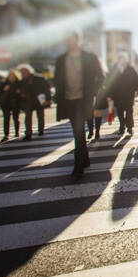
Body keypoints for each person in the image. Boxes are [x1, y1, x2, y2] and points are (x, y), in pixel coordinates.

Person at [54, 30, 104, 179]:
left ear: (77, 40)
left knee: (78, 131)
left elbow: (101, 77)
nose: (67, 42)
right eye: (66, 40)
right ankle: (85, 160)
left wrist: (93, 92)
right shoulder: (61, 59)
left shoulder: (89, 57)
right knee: (78, 131)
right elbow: (57, 79)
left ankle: (78, 167)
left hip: (84, 99)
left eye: (70, 39)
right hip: (69, 99)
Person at [18, 64, 51, 141]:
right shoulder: (22, 81)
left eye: (24, 71)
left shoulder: (38, 78)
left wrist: (48, 98)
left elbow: (46, 88)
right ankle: (28, 133)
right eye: (22, 72)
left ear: (29, 71)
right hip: (28, 100)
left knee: (40, 115)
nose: (23, 73)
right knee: (28, 117)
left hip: (39, 99)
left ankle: (41, 130)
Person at [109, 53, 138, 136]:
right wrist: (111, 94)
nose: (121, 60)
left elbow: (136, 80)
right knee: (120, 112)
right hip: (118, 95)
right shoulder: (114, 69)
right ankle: (122, 126)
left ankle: (130, 127)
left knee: (129, 111)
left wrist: (133, 90)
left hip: (129, 95)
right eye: (120, 58)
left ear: (126, 60)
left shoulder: (130, 68)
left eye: (123, 58)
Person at [0, 70, 22, 142]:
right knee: (6, 119)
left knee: (16, 118)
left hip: (16, 104)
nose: (11, 78)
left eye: (13, 76)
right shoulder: (4, 83)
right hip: (6, 104)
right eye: (10, 76)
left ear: (16, 77)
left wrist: (19, 91)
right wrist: (4, 90)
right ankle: (6, 135)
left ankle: (17, 132)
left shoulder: (19, 83)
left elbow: (22, 93)